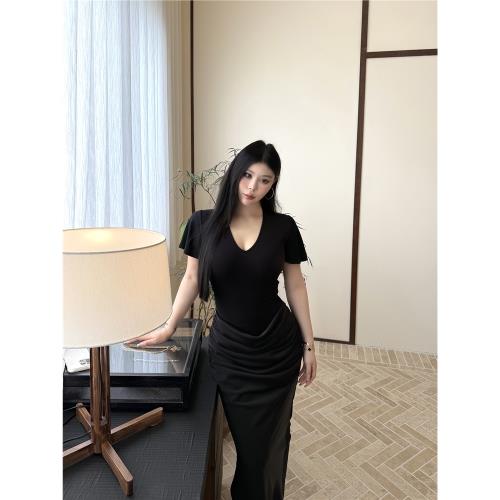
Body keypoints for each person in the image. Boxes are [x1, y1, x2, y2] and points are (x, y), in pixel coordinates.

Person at [126, 139, 316, 499]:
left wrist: (309, 344)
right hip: (231, 352)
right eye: (247, 175)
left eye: (264, 180)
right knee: (247, 442)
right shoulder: (202, 224)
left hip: (278, 349)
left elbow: (295, 285)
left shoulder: (283, 227)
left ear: (273, 185)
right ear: (235, 173)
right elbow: (191, 278)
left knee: (270, 442)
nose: (252, 186)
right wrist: (169, 325)